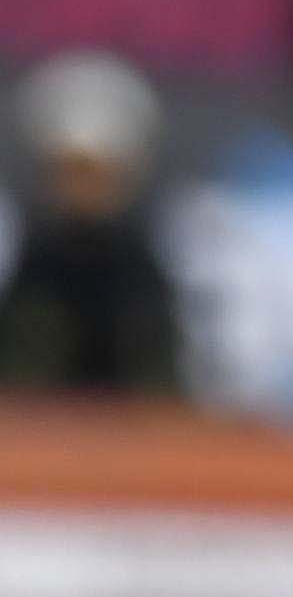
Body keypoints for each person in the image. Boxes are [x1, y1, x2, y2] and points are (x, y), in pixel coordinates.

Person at [0, 50, 180, 396]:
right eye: (70, 174)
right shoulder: (35, 264)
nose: (81, 191)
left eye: (93, 176)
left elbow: (160, 386)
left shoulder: (139, 271)